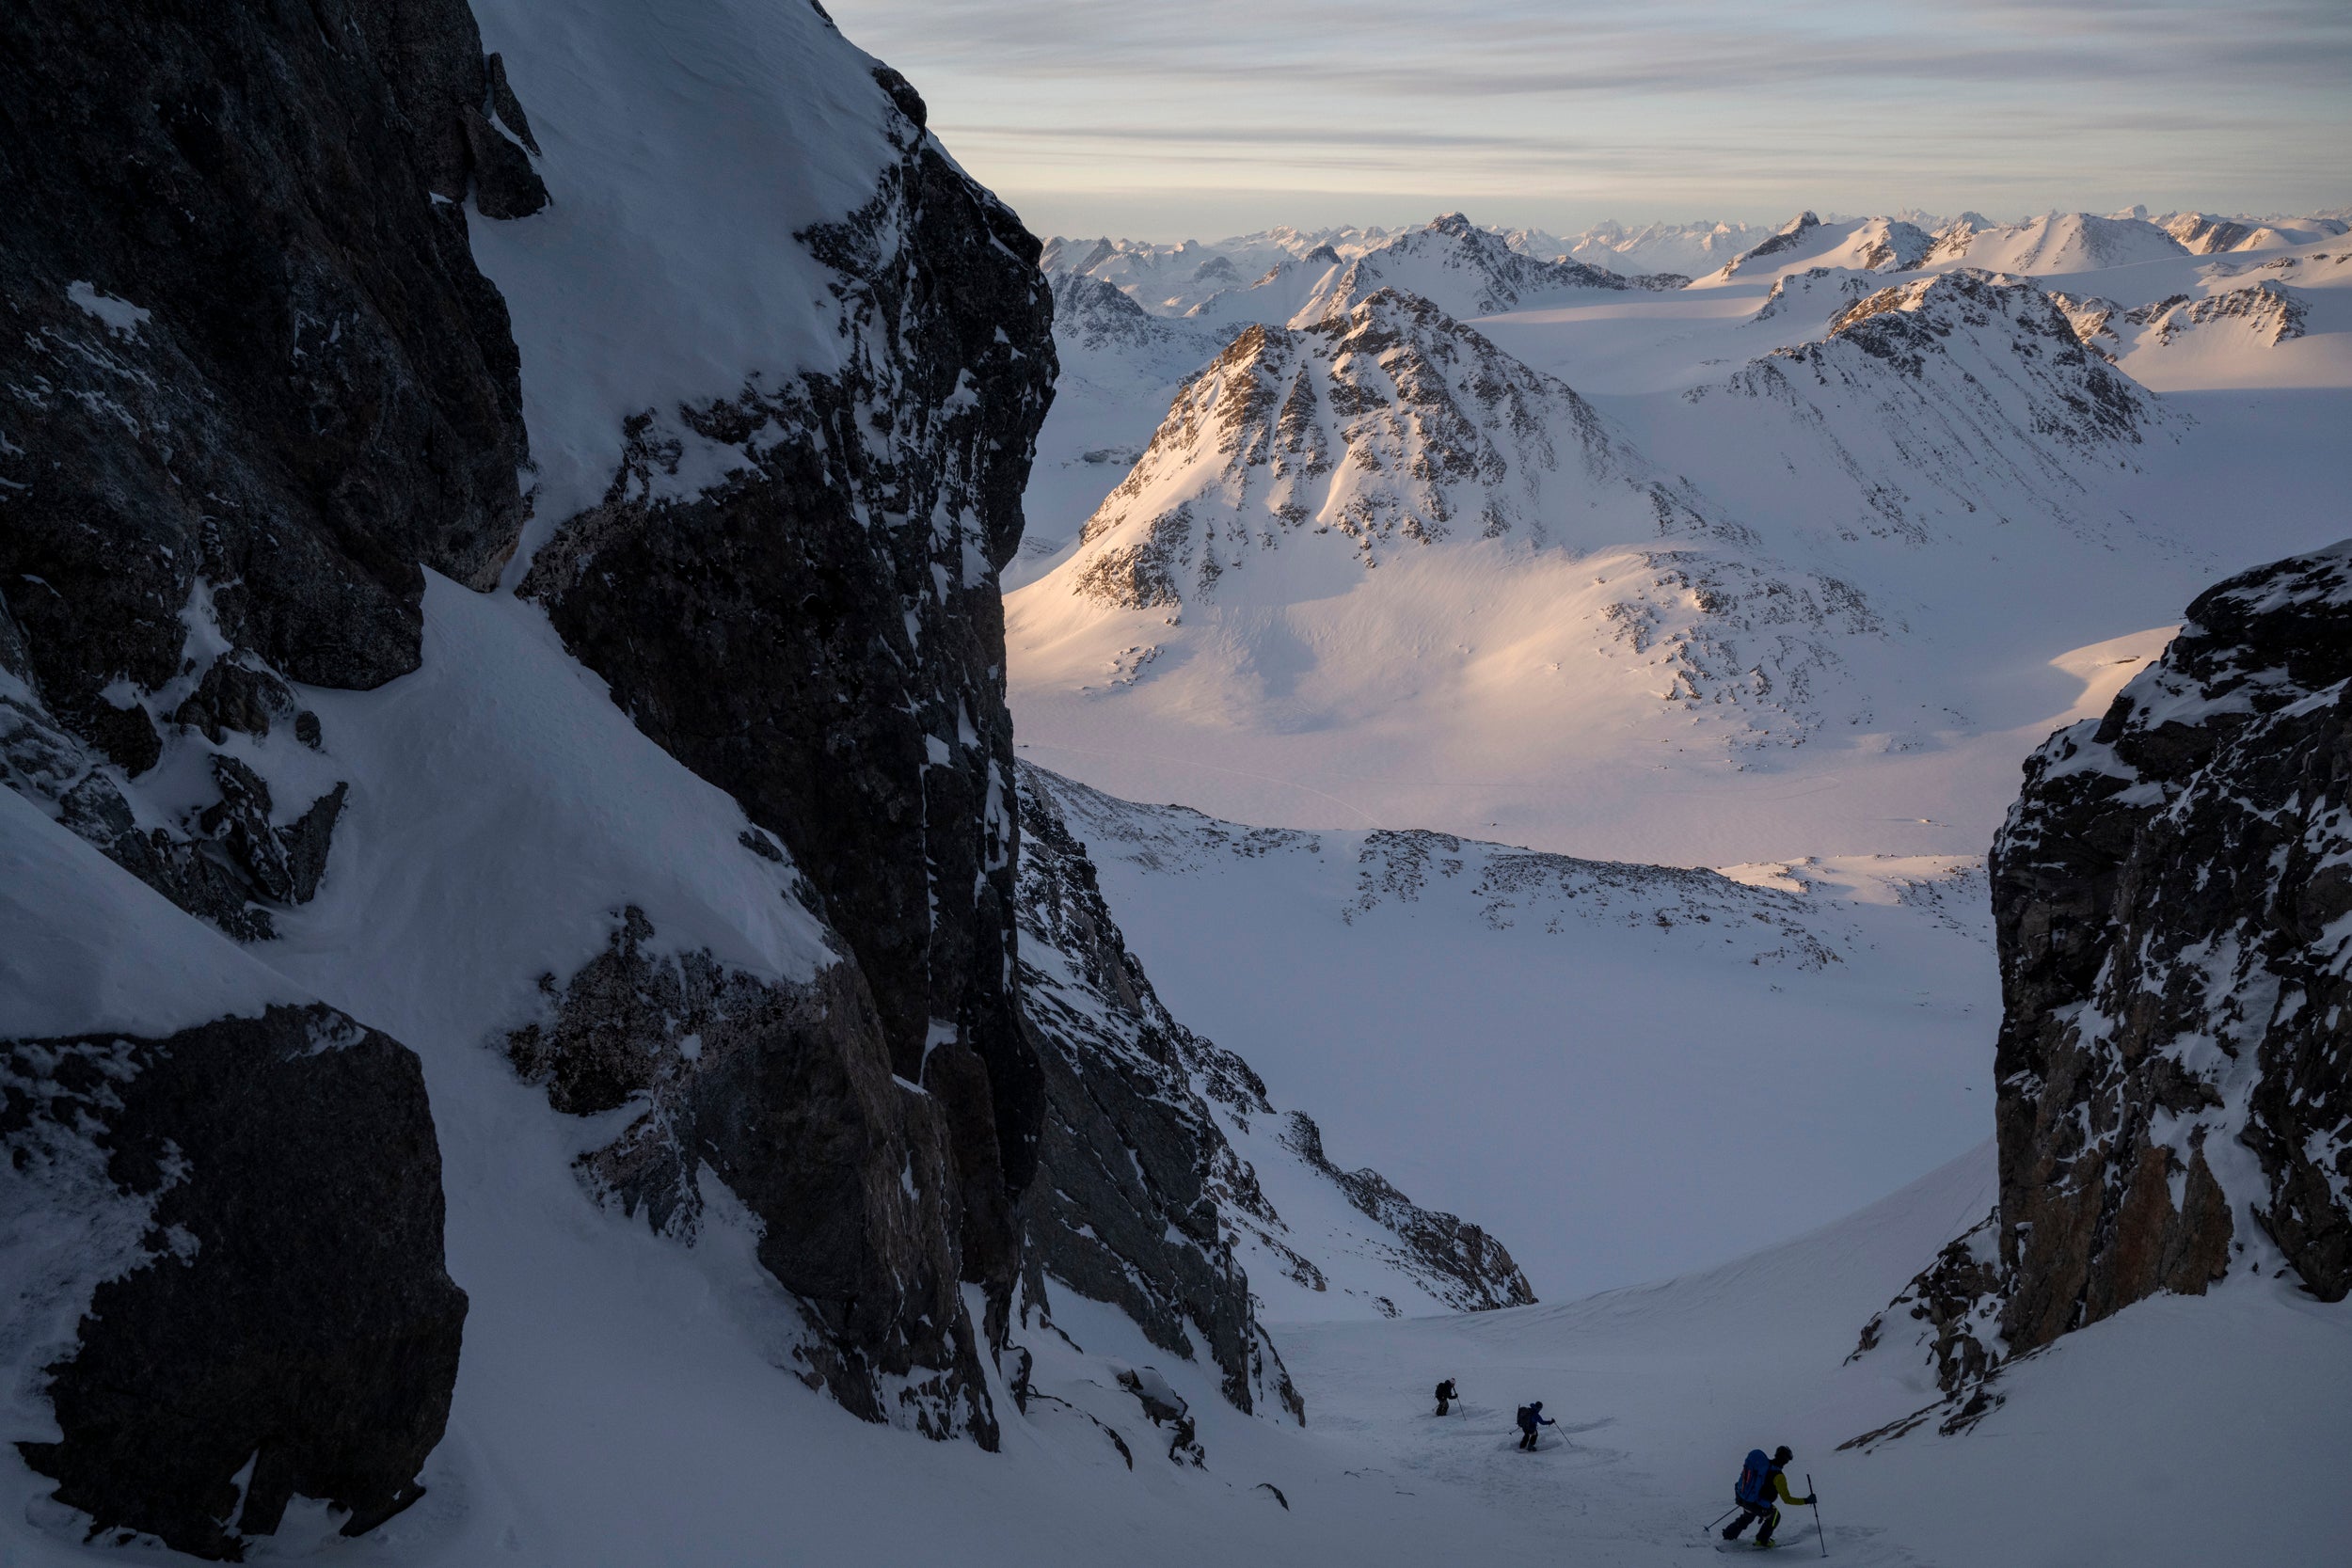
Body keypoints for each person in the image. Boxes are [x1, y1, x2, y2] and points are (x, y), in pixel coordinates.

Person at [1724, 1445, 1814, 1548]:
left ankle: (1728, 1535)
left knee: (1747, 1517)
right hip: (1757, 1504)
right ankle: (1762, 1541)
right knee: (1775, 1516)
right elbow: (1787, 1499)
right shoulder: (1779, 1476)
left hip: (1744, 1498)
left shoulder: (1763, 1466)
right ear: (1786, 1461)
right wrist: (1807, 1500)